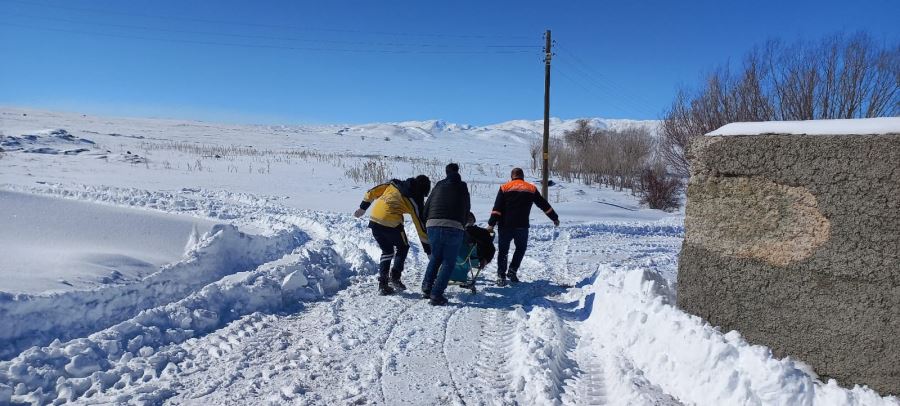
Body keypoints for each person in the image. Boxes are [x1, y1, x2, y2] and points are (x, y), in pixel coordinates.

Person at [354, 175, 432, 295]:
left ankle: (383, 284)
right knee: (403, 247)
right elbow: (420, 227)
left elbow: (371, 192)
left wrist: (362, 208)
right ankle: (395, 277)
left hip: (374, 220)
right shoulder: (414, 201)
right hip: (391, 223)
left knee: (387, 251)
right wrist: (428, 250)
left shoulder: (394, 184)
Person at [486, 168, 559, 286]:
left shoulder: (505, 187)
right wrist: (554, 218)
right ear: (523, 177)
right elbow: (543, 205)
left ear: (512, 177)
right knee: (520, 249)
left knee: (503, 251)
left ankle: (501, 275)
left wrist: (491, 224)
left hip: (505, 226)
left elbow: (497, 208)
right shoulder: (531, 188)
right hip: (522, 226)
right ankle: (512, 270)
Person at [420, 163, 470, 306]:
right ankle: (436, 294)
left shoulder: (438, 185)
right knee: (448, 262)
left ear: (446, 172)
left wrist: (427, 222)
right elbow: (467, 207)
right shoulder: (463, 186)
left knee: (435, 257)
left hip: (433, 224)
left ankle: (427, 287)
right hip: (454, 226)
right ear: (458, 172)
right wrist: (463, 224)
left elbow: (427, 205)